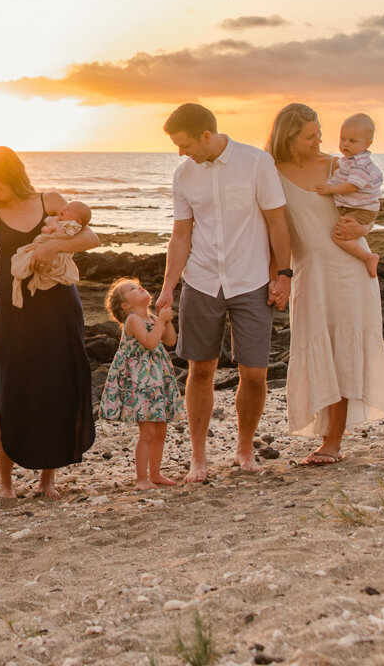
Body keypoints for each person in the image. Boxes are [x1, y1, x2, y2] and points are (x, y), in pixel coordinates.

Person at [158, 103, 292, 482]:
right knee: (200, 369)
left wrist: (284, 275)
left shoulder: (256, 163)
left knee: (254, 372)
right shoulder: (184, 175)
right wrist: (169, 286)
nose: (181, 153)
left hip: (251, 280)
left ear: (206, 135)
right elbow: (181, 234)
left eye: (184, 144)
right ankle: (197, 458)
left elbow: (277, 222)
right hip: (201, 282)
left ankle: (244, 448)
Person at [0, 147, 97, 500]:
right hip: (16, 312)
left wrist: (50, 249)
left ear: (10, 172)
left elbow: (91, 237)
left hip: (59, 307)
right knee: (10, 389)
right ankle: (6, 484)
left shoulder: (51, 200)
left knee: (56, 386)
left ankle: (47, 481)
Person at [266, 103, 384, 465]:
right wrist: (279, 275)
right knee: (317, 345)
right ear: (288, 138)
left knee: (344, 350)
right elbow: (274, 229)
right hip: (308, 273)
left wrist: (365, 228)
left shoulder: (339, 166)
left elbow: (368, 201)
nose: (319, 139)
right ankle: (323, 435)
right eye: (310, 135)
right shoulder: (270, 172)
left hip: (350, 269)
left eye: (320, 131)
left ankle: (332, 441)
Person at [99, 279, 183, 490]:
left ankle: (155, 474)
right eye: (132, 289)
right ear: (125, 305)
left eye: (138, 285)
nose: (139, 288)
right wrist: (161, 321)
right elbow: (149, 342)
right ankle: (141, 478)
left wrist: (166, 320)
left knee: (160, 431)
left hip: (157, 380)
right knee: (147, 433)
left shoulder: (152, 317)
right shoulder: (133, 320)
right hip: (141, 383)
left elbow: (171, 341)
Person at [315, 112, 383, 278]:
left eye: (352, 141)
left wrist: (329, 189)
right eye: (342, 139)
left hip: (361, 210)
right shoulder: (349, 161)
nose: (345, 144)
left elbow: (352, 186)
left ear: (368, 143)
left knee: (339, 237)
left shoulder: (361, 164)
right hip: (358, 208)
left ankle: (368, 257)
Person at [10, 199, 92, 305]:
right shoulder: (56, 220)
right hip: (42, 244)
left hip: (58, 254)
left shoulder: (73, 226)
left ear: (78, 221)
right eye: (65, 206)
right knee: (22, 253)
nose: (64, 208)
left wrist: (53, 223)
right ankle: (23, 273)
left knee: (49, 267)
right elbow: (45, 229)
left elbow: (63, 234)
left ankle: (32, 276)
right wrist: (46, 229)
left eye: (68, 209)